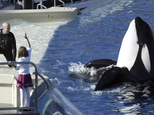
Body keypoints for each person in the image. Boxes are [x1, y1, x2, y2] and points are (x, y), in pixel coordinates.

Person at [10, 33, 33, 108]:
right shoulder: (28, 56)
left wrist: (12, 64)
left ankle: (22, 106)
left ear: (19, 53)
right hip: (27, 75)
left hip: (22, 76)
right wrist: (26, 38)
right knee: (27, 91)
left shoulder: (20, 59)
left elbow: (17, 68)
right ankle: (28, 105)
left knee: (22, 91)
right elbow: (29, 47)